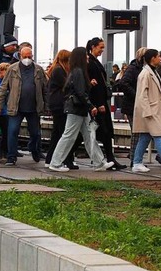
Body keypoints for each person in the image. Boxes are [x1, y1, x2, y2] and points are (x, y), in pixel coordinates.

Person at [48, 47, 114, 173]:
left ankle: (99, 162)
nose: (88, 57)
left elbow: (78, 90)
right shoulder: (79, 71)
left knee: (89, 135)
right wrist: (91, 106)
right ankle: (55, 163)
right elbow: (80, 92)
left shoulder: (76, 71)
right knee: (69, 135)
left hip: (79, 108)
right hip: (77, 109)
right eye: (86, 55)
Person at [0, 46, 47, 166]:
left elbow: (45, 88)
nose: (27, 59)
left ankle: (34, 149)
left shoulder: (38, 70)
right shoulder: (12, 69)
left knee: (36, 133)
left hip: (33, 108)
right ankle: (11, 157)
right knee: (12, 131)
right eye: (25, 57)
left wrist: (46, 105)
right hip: (16, 107)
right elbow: (3, 87)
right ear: (20, 56)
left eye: (30, 57)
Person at [86, 37, 126, 170]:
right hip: (98, 103)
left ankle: (110, 158)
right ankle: (109, 158)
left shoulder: (94, 62)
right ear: (93, 47)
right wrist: (97, 104)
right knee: (101, 131)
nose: (102, 50)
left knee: (104, 131)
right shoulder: (90, 63)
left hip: (101, 101)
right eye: (100, 47)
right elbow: (94, 87)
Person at [46, 49, 80, 170]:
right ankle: (66, 160)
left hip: (56, 104)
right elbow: (68, 85)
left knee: (57, 134)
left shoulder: (56, 70)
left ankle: (49, 159)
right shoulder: (59, 71)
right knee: (64, 134)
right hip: (60, 105)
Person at [117, 47, 148, 166]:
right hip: (133, 106)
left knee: (139, 133)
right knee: (137, 132)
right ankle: (135, 159)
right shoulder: (133, 69)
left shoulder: (140, 68)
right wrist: (137, 95)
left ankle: (135, 157)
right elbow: (123, 83)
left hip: (137, 105)